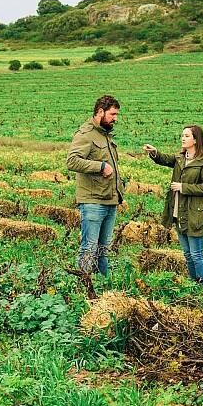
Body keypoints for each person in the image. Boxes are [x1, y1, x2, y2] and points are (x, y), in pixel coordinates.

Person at [143, 125, 203, 286]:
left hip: (194, 213)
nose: (183, 138)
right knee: (187, 254)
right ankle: (193, 284)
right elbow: (164, 158)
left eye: (187, 136)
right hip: (178, 211)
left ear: (196, 140)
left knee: (197, 254)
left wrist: (183, 187)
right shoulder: (180, 158)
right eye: (182, 135)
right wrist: (154, 152)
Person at [67, 95, 124, 276]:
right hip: (93, 202)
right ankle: (84, 287)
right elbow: (72, 161)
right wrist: (99, 166)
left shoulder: (105, 134)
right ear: (100, 112)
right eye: (112, 114)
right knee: (89, 250)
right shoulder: (85, 134)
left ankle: (103, 291)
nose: (115, 118)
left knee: (103, 251)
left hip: (109, 200)